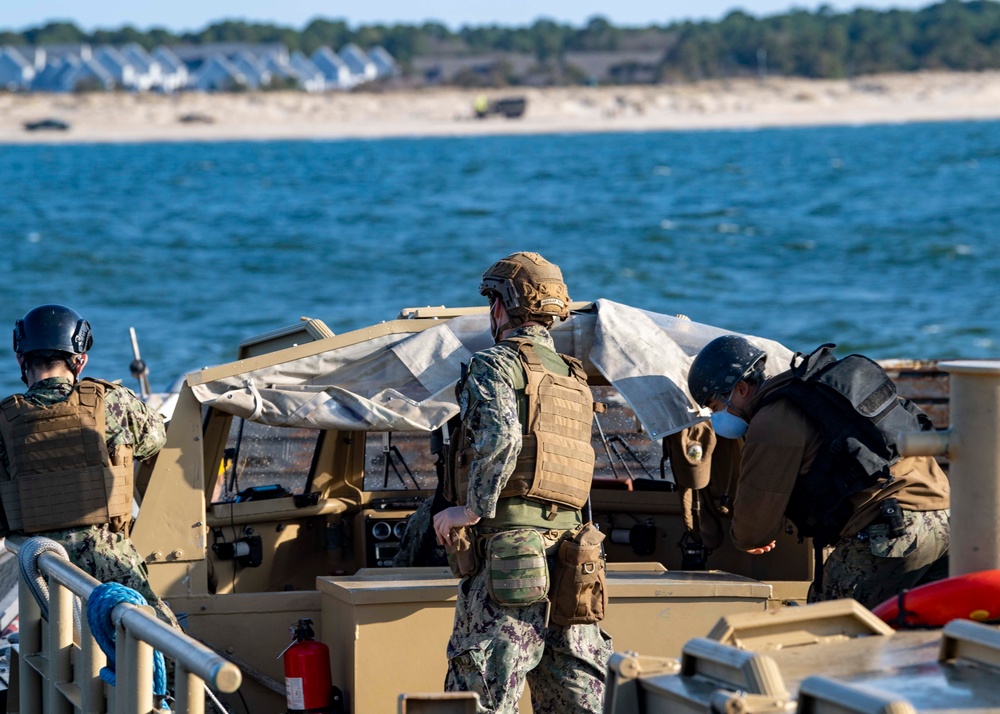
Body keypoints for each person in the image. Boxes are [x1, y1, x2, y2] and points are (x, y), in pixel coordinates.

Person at [433, 252, 612, 713]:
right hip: (575, 562)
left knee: (483, 700)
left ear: (500, 306)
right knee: (578, 700)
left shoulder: (494, 365)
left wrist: (468, 510)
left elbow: (505, 437)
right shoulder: (573, 378)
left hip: (508, 562)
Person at [686, 335, 950, 610]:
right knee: (918, 630)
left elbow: (753, 526)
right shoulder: (818, 390)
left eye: (715, 407)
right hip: (944, 518)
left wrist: (749, 538)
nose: (715, 416)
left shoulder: (772, 420)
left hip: (893, 531)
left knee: (827, 622)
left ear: (740, 389)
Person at [0, 304, 179, 628]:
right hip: (110, 561)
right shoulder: (112, 401)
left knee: (56, 660)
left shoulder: (4, 422)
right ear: (80, 359)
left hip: (42, 570)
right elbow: (155, 440)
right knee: (167, 650)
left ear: (21, 359)